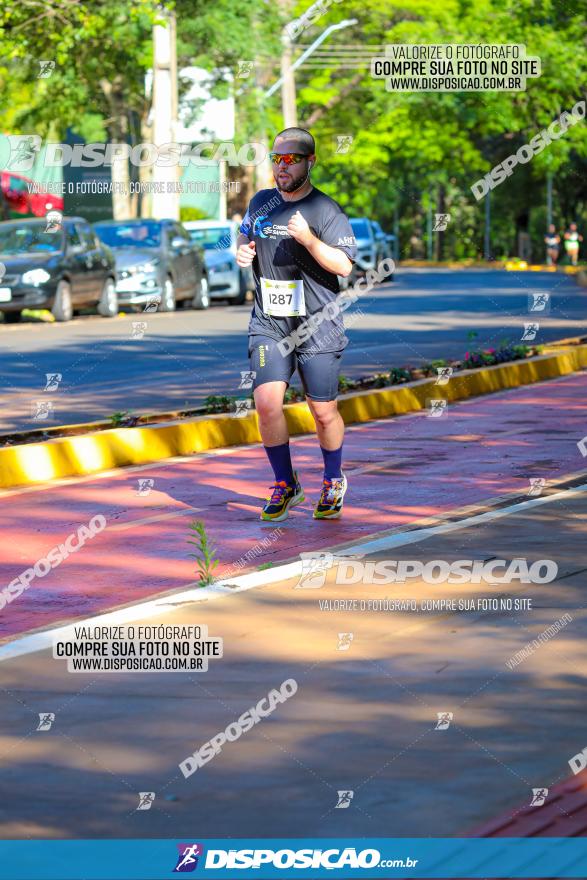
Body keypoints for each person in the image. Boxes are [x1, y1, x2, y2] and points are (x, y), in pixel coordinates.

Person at [236, 127, 356, 522]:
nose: (281, 167)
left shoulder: (325, 211)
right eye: (276, 159)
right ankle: (286, 484)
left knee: (322, 412)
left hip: (317, 325)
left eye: (290, 160)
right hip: (270, 322)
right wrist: (242, 252)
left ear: (310, 162)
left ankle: (333, 478)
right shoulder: (261, 202)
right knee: (267, 404)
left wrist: (308, 240)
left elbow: (344, 265)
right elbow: (244, 236)